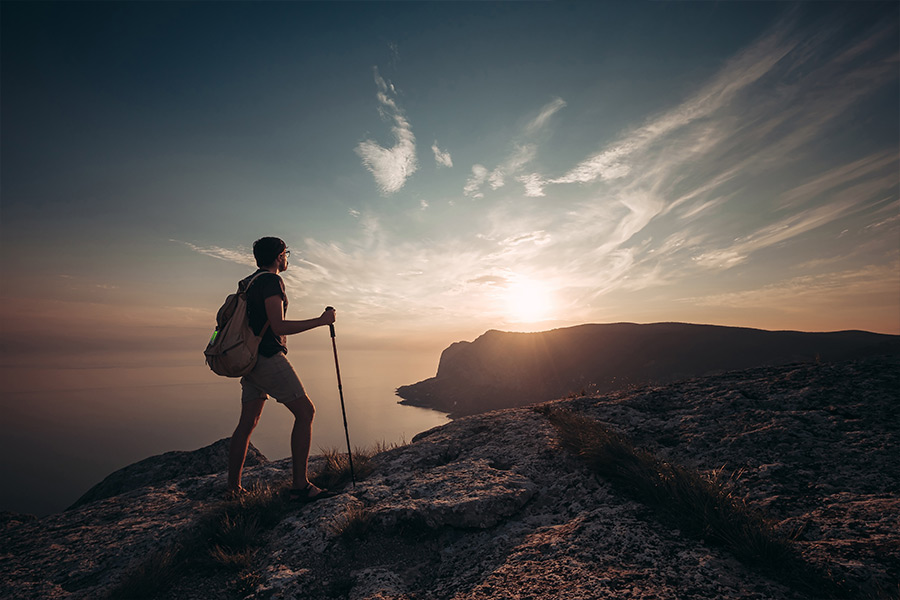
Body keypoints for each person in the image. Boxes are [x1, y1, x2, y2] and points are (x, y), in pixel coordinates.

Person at [227, 236, 336, 502]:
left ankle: (233, 489)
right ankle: (300, 486)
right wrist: (321, 321)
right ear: (279, 256)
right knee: (306, 412)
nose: (287, 258)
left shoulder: (247, 283)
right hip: (267, 357)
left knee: (248, 423)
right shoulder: (271, 281)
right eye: (286, 253)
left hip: (249, 360)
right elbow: (278, 326)